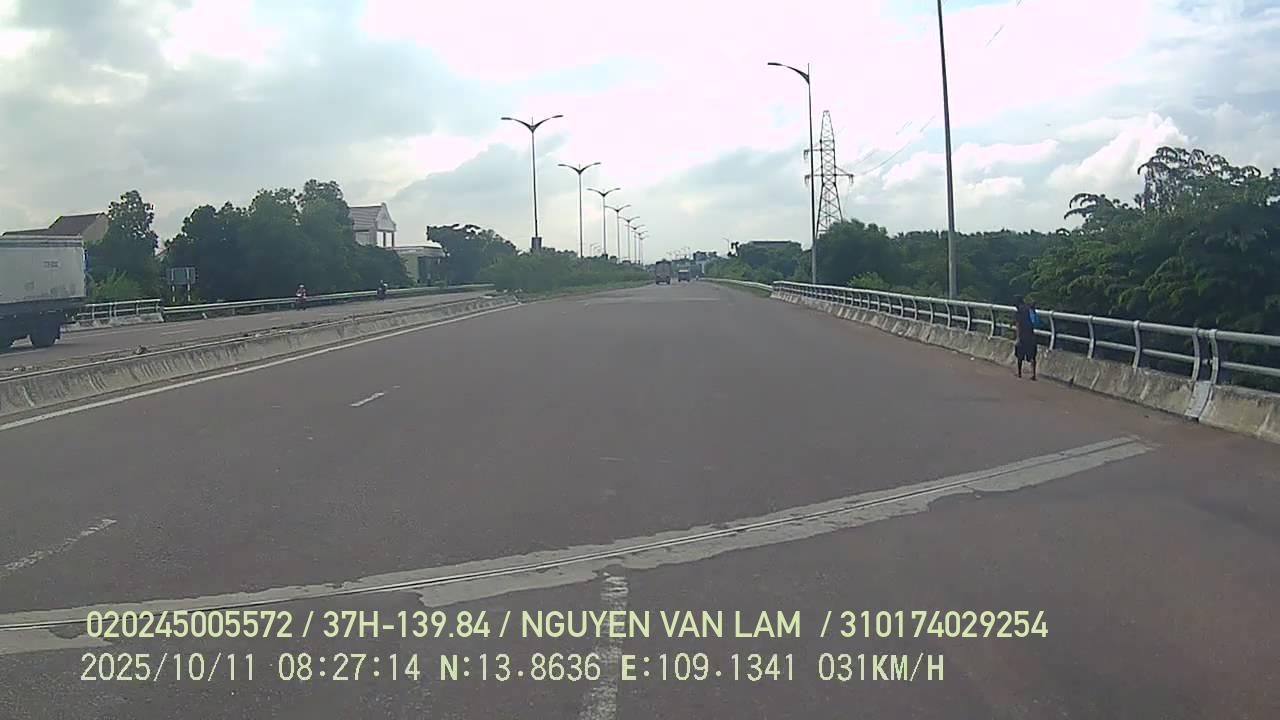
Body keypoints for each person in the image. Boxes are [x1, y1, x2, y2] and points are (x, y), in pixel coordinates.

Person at [1013, 296, 1038, 380]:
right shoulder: (1029, 309)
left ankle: (1019, 373)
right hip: (1031, 334)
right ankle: (1033, 374)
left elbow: (1018, 325)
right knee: (1032, 356)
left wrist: (1018, 338)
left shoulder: (1019, 312)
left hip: (1023, 336)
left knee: (1020, 355)